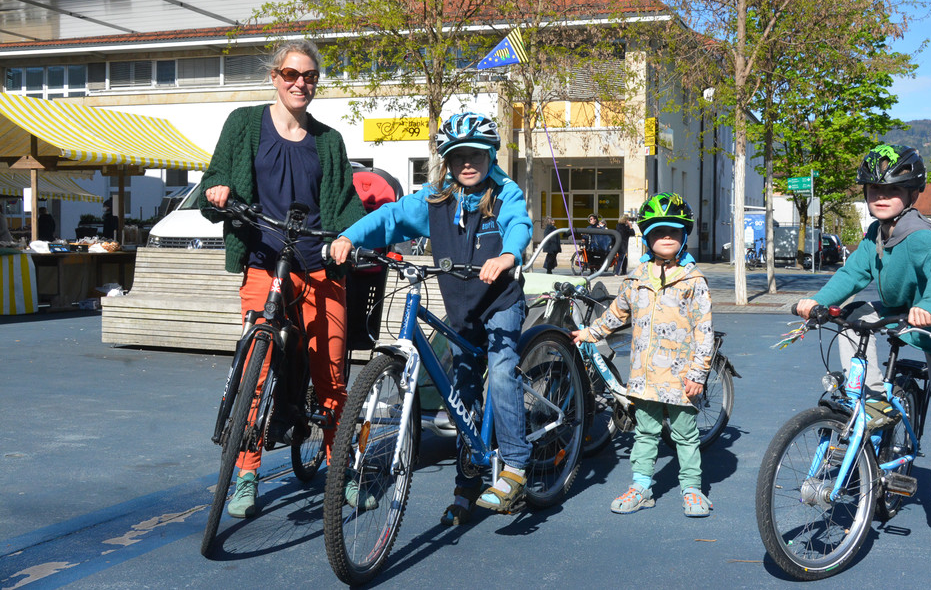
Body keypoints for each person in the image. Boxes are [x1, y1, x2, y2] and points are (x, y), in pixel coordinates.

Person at [332, 111, 533, 526]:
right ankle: (468, 484)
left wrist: (508, 256)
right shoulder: (436, 198)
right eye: (458, 155)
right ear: (447, 159)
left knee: (500, 372)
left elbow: (519, 224)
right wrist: (350, 237)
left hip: (500, 303)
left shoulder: (504, 191)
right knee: (460, 392)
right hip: (461, 309)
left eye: (476, 153)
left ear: (490, 154)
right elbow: (391, 218)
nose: (467, 163)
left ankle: (514, 468)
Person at [199, 38, 366, 519]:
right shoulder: (244, 124)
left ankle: (344, 471)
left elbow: (344, 203)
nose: (300, 83)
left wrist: (352, 235)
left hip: (317, 265)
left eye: (309, 76)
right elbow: (217, 174)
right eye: (291, 74)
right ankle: (246, 472)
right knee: (254, 371)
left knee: (331, 376)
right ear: (274, 77)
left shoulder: (328, 141)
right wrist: (219, 189)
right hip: (264, 263)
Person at [796, 144, 931, 553]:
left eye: (892, 189)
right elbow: (852, 274)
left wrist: (930, 306)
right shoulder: (874, 236)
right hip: (904, 317)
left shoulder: (922, 237)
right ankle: (874, 398)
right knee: (847, 314)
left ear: (913, 193)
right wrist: (818, 303)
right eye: (872, 189)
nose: (880, 196)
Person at [572, 193, 714, 517]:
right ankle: (641, 486)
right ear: (647, 237)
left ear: (684, 236)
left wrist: (698, 374)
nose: (667, 238)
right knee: (645, 432)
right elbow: (617, 313)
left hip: (681, 379)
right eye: (660, 232)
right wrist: (590, 333)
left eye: (674, 232)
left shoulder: (694, 281)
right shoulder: (636, 278)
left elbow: (704, 332)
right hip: (645, 377)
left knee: (685, 435)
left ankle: (692, 488)